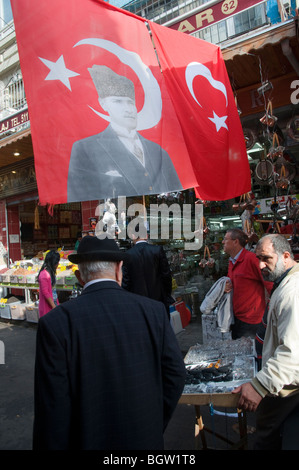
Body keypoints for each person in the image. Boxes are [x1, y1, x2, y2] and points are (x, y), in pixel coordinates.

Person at [33, 236, 186, 450]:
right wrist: (151, 423)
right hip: (145, 439)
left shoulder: (55, 323)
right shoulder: (153, 312)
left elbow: (51, 409)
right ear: (119, 271)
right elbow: (176, 374)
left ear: (79, 277)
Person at [67, 65, 182, 202]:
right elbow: (79, 195)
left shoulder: (159, 152)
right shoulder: (85, 149)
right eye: (118, 101)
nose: (128, 109)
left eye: (130, 102)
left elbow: (178, 195)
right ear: (103, 104)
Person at [232, 234, 299, 450]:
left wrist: (259, 386)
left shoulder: (293, 292)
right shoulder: (284, 283)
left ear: (286, 256)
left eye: (266, 258)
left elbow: (293, 353)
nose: (260, 265)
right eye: (258, 258)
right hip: (280, 384)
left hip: (286, 388)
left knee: (266, 439)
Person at [222, 228, 272, 339]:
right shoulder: (232, 261)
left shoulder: (252, 259)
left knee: (252, 353)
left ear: (235, 242)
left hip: (252, 320)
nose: (222, 242)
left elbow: (269, 283)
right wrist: (226, 286)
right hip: (236, 317)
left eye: (225, 239)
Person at [122, 230, 173, 319]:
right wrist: (166, 294)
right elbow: (166, 276)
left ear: (133, 236)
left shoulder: (127, 255)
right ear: (147, 235)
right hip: (158, 299)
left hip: (138, 303)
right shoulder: (157, 250)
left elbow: (126, 282)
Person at [37, 250, 60, 318]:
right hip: (48, 307)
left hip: (53, 304)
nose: (58, 264)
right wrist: (54, 307)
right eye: (57, 262)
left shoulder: (50, 272)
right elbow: (45, 292)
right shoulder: (44, 274)